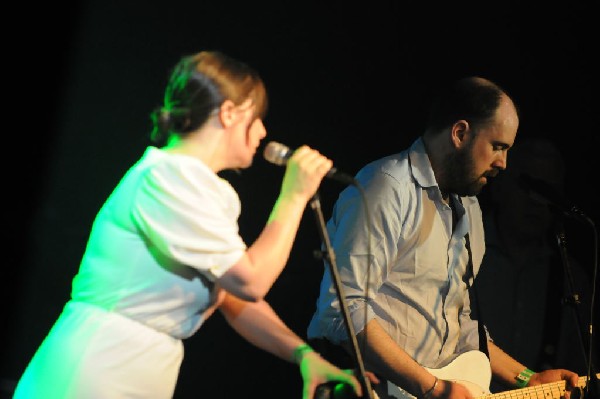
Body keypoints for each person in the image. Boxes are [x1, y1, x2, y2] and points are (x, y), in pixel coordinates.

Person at [13, 50, 363, 399]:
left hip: (144, 365)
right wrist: (294, 197)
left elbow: (233, 298)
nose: (262, 131)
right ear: (228, 112)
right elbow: (251, 281)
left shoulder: (193, 184)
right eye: (256, 117)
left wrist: (303, 355)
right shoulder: (169, 177)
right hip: (99, 366)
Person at [307, 77, 580, 399]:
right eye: (497, 147)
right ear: (460, 133)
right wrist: (431, 387)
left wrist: (526, 378)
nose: (503, 164)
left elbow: (458, 325)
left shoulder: (470, 206)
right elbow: (342, 310)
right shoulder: (386, 187)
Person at [475, 137, 597, 391]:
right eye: (527, 184)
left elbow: (580, 364)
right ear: (499, 184)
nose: (536, 200)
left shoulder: (569, 276)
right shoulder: (462, 250)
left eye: (547, 189)